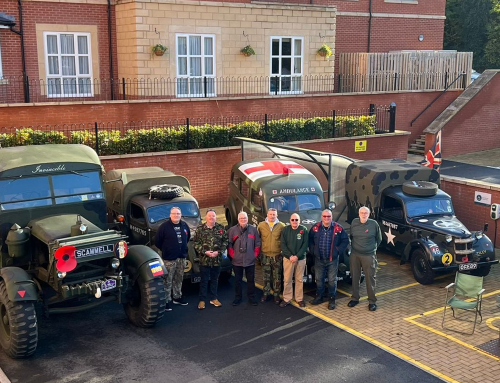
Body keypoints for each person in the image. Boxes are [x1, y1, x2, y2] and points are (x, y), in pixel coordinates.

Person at [308, 209, 349, 310]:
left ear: (332, 217)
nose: (326, 218)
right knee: (319, 279)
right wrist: (313, 250)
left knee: (332, 280)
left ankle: (332, 299)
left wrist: (338, 250)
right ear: (321, 217)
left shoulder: (338, 228)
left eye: (329, 216)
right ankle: (319, 297)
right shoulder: (315, 228)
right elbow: (309, 239)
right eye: (325, 216)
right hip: (319, 259)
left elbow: (345, 240)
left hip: (332, 260)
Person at [155, 206, 190, 311]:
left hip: (181, 258)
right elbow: (158, 242)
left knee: (179, 279)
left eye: (178, 214)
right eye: (174, 214)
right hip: (169, 259)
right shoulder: (164, 227)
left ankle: (177, 297)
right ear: (170, 215)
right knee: (167, 280)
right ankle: (166, 301)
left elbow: (187, 238)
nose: (176, 215)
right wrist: (168, 250)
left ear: (180, 215)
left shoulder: (184, 225)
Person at [348, 206, 382, 311]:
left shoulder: (374, 224)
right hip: (355, 255)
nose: (363, 215)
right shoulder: (354, 222)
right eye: (362, 213)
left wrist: (372, 249)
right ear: (358, 214)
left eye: (366, 213)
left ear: (369, 214)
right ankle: (355, 298)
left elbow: (379, 239)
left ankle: (372, 301)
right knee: (355, 277)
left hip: (369, 255)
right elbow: (351, 237)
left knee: (370, 278)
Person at [193, 209, 229, 310]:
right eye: (209, 216)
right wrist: (205, 252)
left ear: (215, 217)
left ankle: (214, 298)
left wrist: (219, 252)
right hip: (204, 260)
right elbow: (195, 243)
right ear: (206, 217)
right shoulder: (200, 229)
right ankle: (202, 300)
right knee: (204, 281)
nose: (211, 218)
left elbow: (225, 241)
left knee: (215, 280)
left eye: (213, 216)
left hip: (217, 260)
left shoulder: (220, 228)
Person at [227, 212, 261, 306]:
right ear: (238, 219)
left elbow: (257, 243)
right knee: (238, 281)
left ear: (247, 218)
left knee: (251, 280)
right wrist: (233, 255)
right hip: (237, 261)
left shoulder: (253, 230)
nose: (243, 220)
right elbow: (229, 244)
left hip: (250, 261)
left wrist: (254, 255)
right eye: (241, 218)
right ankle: (238, 298)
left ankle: (252, 298)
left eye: (245, 218)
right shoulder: (232, 230)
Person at [257, 208, 285, 305]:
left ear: (277, 215)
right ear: (267, 215)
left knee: (277, 276)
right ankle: (266, 293)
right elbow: (258, 239)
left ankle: (276, 295)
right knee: (266, 276)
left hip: (277, 255)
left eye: (274, 214)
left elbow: (284, 240)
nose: (272, 216)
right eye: (270, 214)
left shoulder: (281, 226)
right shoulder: (261, 225)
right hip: (265, 255)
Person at [280, 213, 308, 308]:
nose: (294, 222)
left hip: (300, 259)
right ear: (290, 220)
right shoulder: (285, 230)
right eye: (293, 220)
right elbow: (283, 244)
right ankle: (287, 298)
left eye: (296, 220)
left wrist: (297, 256)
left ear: (299, 221)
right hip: (288, 259)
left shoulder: (303, 230)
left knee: (299, 279)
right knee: (287, 279)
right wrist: (290, 256)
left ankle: (299, 299)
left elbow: (305, 244)